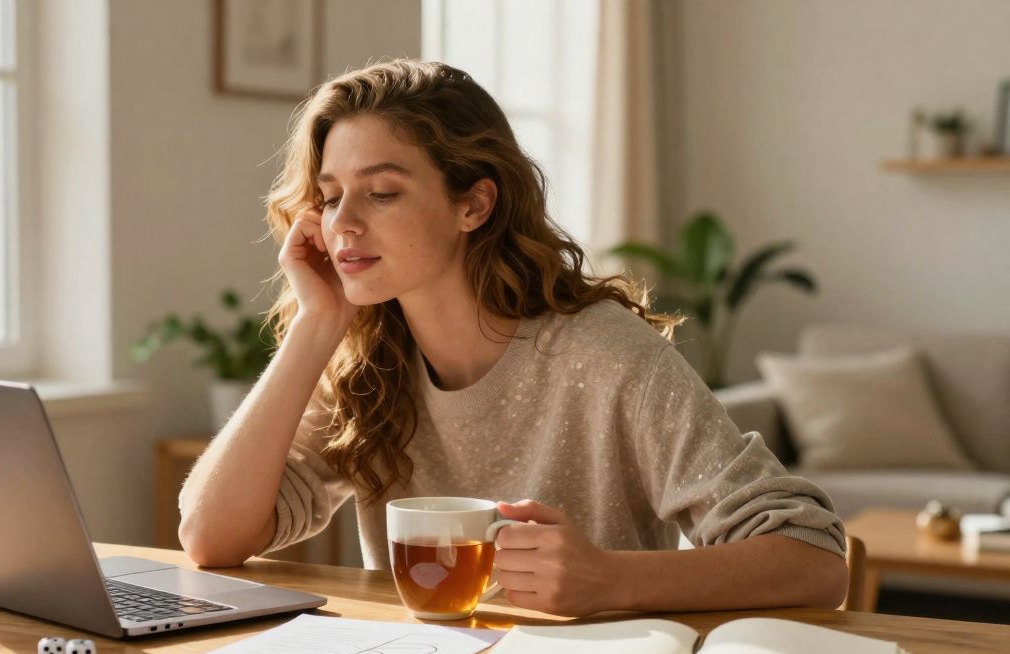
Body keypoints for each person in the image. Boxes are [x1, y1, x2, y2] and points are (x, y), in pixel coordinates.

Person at [177, 59, 847, 617]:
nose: (342, 222)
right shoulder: (367, 361)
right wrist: (317, 322)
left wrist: (610, 581)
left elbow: (813, 559)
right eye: (329, 196)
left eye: (380, 192)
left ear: (474, 204)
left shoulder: (604, 355)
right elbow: (210, 539)